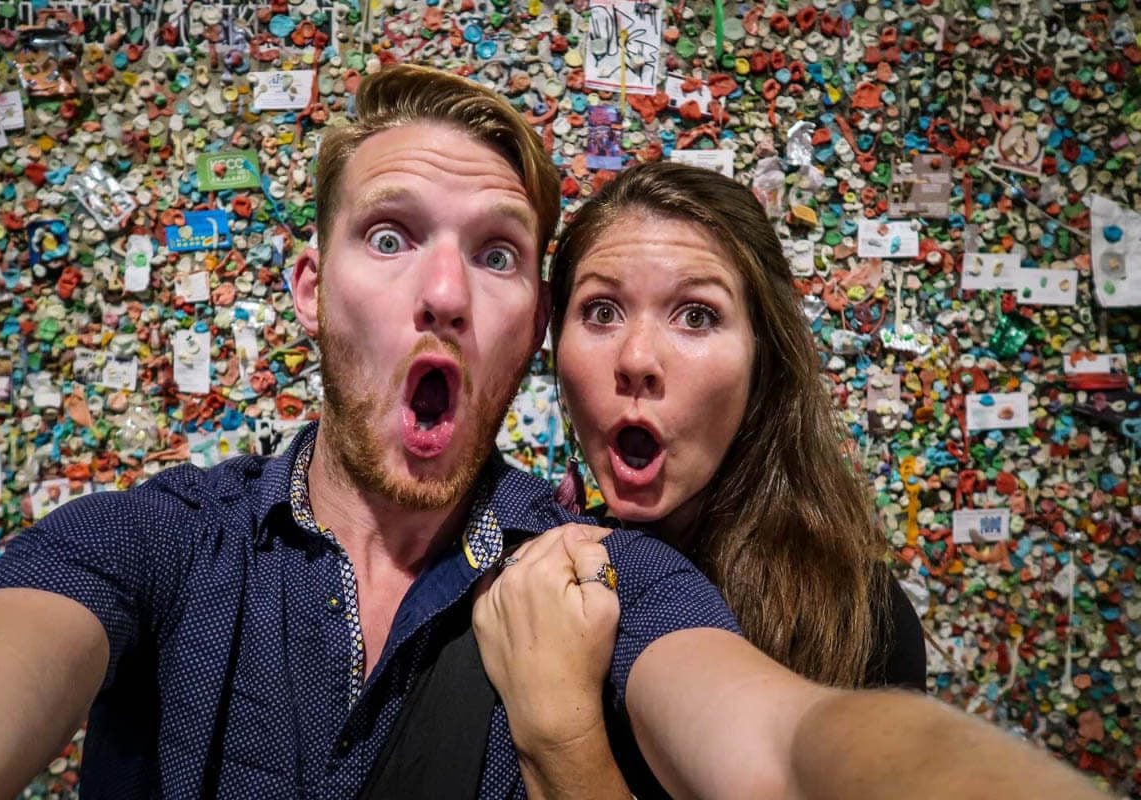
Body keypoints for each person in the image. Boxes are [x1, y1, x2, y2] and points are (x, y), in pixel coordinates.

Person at [0, 65, 742, 799]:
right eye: (389, 237)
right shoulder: (152, 542)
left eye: (496, 255)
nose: (443, 294)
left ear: (534, 324)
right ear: (311, 291)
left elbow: (778, 743)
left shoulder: (600, 580)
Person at [472, 163, 1108, 799]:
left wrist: (560, 739)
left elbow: (806, 747)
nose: (636, 359)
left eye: (696, 316)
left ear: (762, 358)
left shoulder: (859, 618)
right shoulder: (523, 576)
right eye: (602, 310)